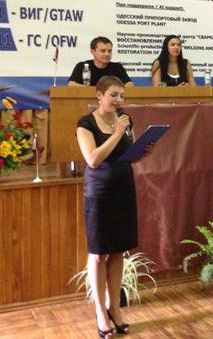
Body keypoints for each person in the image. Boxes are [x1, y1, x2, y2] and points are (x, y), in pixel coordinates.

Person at [76, 76, 152, 337]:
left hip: (123, 189)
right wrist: (118, 133)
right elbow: (93, 159)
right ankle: (100, 312)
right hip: (99, 193)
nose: (119, 100)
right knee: (99, 253)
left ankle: (114, 309)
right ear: (99, 95)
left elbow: (128, 155)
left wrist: (143, 151)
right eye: (113, 95)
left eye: (122, 95)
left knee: (119, 250)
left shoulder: (125, 119)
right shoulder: (85, 123)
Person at [68, 37, 133, 87]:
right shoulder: (83, 66)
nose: (107, 54)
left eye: (109, 51)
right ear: (92, 52)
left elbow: (130, 84)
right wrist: (96, 91)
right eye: (103, 51)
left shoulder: (117, 67)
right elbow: (71, 85)